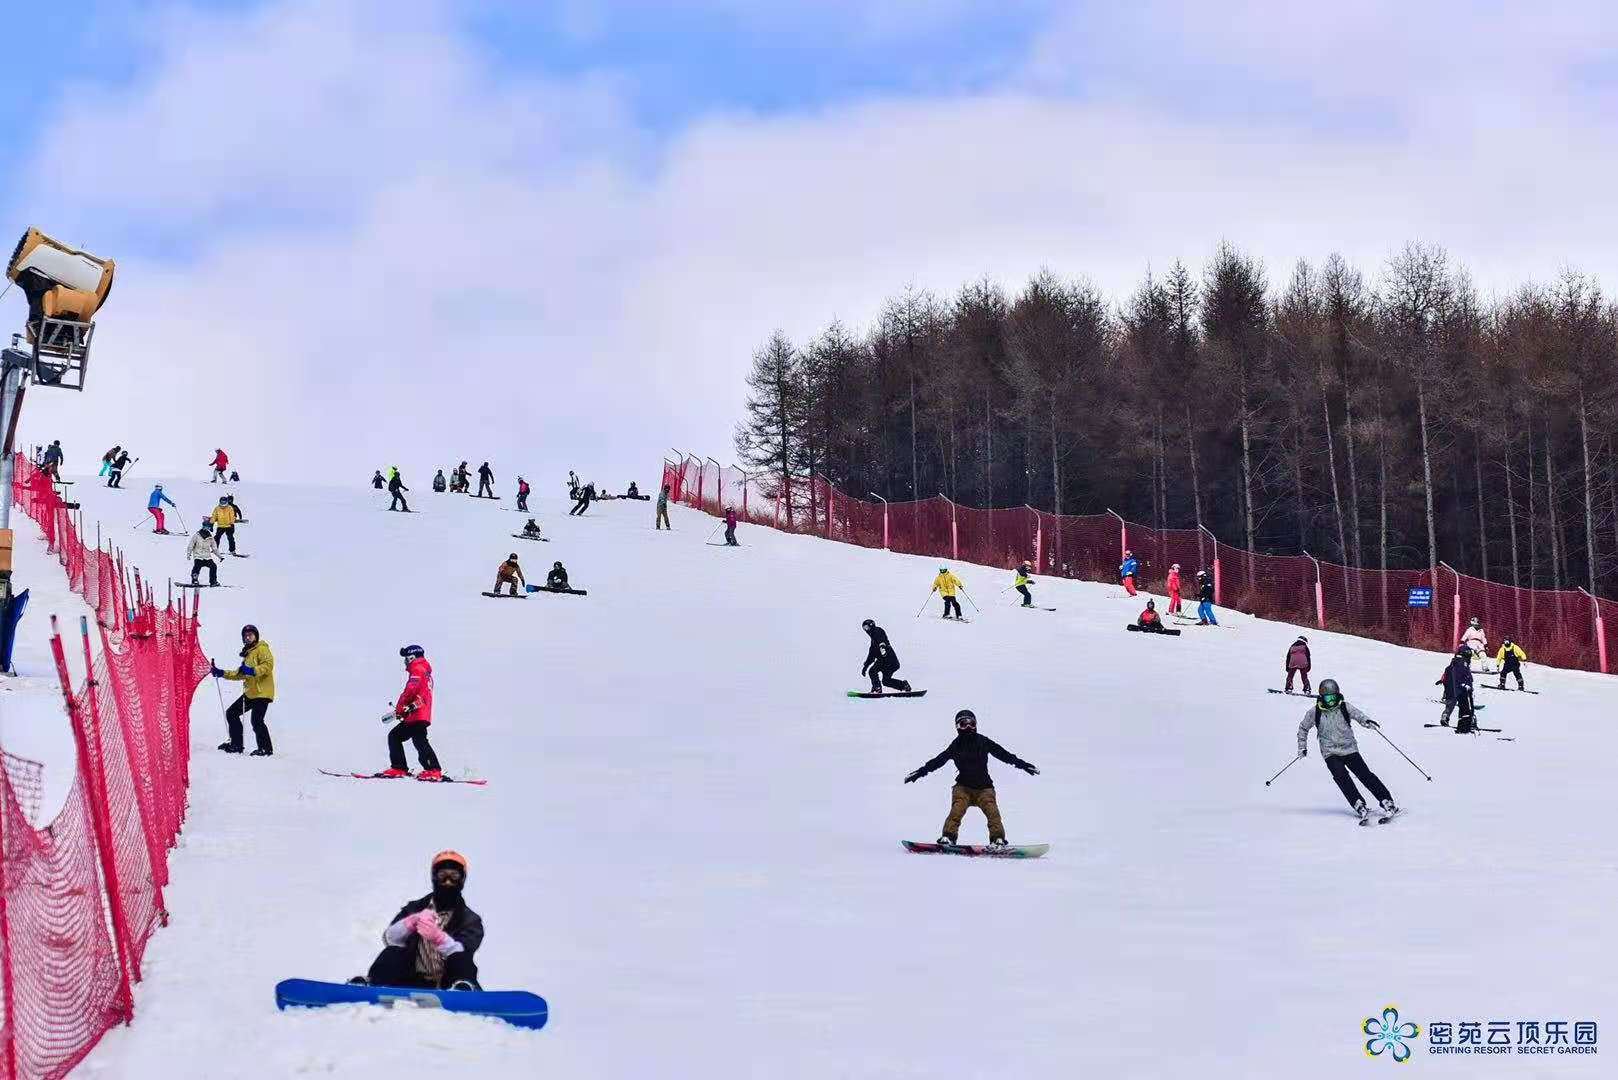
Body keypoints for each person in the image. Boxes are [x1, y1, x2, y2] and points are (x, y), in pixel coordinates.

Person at [904, 709, 1038, 847]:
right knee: (957, 810)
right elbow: (938, 761)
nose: (968, 727)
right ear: (957, 727)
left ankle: (997, 839)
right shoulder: (956, 746)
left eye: (971, 724)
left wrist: (1023, 765)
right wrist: (920, 772)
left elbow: (1004, 754)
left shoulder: (983, 741)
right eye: (963, 724)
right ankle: (948, 837)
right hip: (963, 788)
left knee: (993, 812)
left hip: (984, 788)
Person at [357, 851, 483, 991]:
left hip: (447, 982)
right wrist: (409, 923)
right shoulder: (414, 908)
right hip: (410, 976)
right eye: (442, 875)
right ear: (434, 877)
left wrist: (440, 938)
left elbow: (464, 950)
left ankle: (463, 989)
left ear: (462, 879)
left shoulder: (471, 919)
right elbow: (390, 939)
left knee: (462, 960)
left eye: (454, 875)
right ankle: (371, 985)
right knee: (392, 952)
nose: (448, 881)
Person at [1295, 678, 1398, 823]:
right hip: (1330, 752)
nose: (1331, 700)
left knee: (1365, 775)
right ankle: (1358, 804)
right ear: (1322, 697)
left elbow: (1358, 715)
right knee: (1341, 777)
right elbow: (1303, 728)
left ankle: (1386, 801)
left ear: (1338, 695)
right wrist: (1302, 747)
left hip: (1349, 748)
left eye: (1333, 697)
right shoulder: (1314, 712)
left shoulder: (1344, 707)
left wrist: (1367, 722)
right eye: (1327, 697)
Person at [211, 624, 274, 755]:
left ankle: (266, 749)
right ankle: (236, 745)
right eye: (245, 636)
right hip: (251, 693)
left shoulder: (262, 649)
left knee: (257, 720)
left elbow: (268, 666)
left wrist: (252, 670)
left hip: (262, 692)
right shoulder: (248, 655)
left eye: (250, 634)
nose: (248, 637)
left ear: (256, 636)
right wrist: (221, 673)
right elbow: (239, 674)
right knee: (231, 713)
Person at [384, 645, 442, 779]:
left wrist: (400, 708)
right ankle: (401, 768)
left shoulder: (417, 670)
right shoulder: (425, 672)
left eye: (406, 658)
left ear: (412, 657)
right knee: (399, 736)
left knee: (414, 739)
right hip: (417, 713)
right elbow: (421, 694)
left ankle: (433, 770)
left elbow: (410, 691)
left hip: (417, 714)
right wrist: (405, 710)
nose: (405, 662)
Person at [860, 618, 911, 694]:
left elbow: (882, 639)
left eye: (866, 627)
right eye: (864, 628)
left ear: (872, 625)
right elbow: (871, 656)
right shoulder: (873, 643)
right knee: (886, 681)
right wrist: (865, 667)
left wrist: (882, 647)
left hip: (888, 659)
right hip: (888, 662)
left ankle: (877, 688)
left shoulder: (877, 631)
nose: (866, 630)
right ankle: (904, 685)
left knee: (872, 671)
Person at [1435, 647, 1476, 730]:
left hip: (1451, 689)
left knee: (1450, 704)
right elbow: (1466, 676)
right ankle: (1470, 720)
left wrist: (1442, 681)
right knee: (1466, 705)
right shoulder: (1463, 664)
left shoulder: (1452, 665)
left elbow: (1445, 675)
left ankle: (1445, 717)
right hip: (1460, 688)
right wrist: (1469, 685)